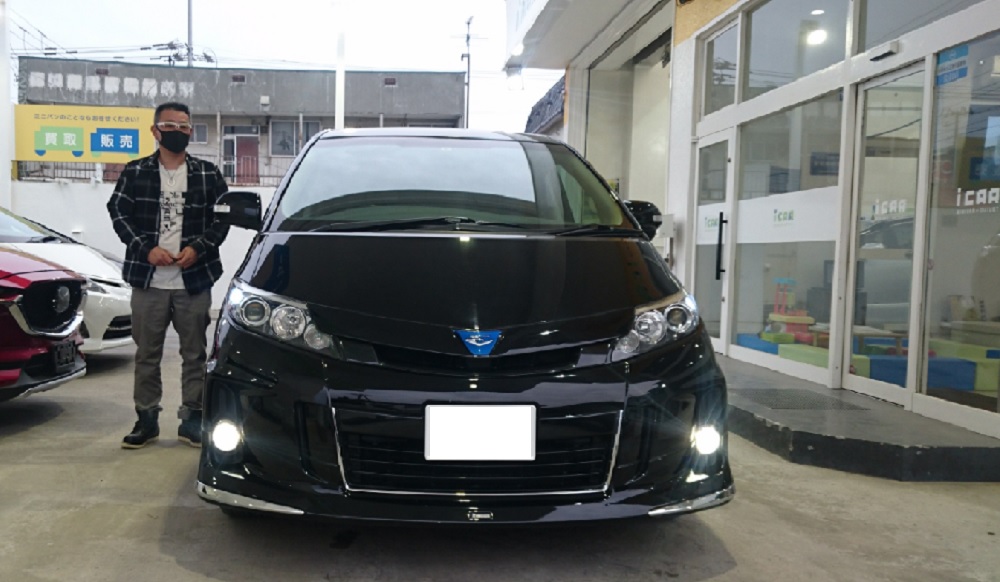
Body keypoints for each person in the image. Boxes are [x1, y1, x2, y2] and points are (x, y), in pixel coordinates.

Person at [107, 102, 230, 450]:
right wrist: (145, 248)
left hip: (194, 280)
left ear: (191, 131)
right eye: (170, 126)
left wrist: (199, 248)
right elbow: (118, 213)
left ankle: (191, 419)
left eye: (184, 126)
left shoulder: (208, 173)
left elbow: (223, 217)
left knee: (195, 354)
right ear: (155, 131)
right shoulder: (135, 172)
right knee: (147, 354)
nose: (178, 132)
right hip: (149, 280)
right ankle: (146, 420)